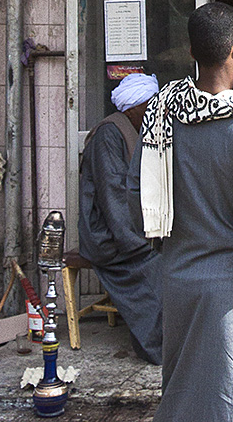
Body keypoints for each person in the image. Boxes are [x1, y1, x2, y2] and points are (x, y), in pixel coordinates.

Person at [129, 1, 233, 422]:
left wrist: (166, 252)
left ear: (191, 52)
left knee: (187, 401)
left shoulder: (163, 115)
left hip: (180, 283)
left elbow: (139, 202)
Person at [78, 72, 163, 364]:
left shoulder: (138, 131)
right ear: (133, 107)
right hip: (108, 237)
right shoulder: (109, 135)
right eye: (150, 105)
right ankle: (156, 347)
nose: (155, 111)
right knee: (156, 266)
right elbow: (113, 198)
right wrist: (141, 243)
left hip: (130, 230)